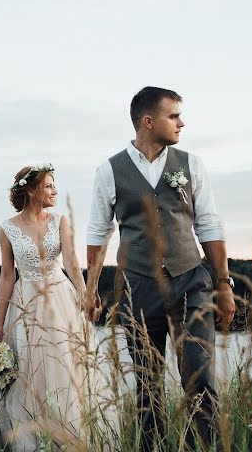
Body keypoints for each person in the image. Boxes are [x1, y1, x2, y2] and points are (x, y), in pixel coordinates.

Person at [84, 86, 236, 450]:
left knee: (200, 377)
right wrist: (89, 291)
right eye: (173, 116)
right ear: (148, 122)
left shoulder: (191, 164)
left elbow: (209, 225)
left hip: (191, 283)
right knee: (147, 385)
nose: (181, 123)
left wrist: (223, 283)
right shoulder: (109, 170)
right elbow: (98, 234)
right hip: (138, 289)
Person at [0, 163, 102, 451]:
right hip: (24, 304)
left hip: (59, 301)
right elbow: (6, 276)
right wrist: (0, 325)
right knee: (29, 374)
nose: (55, 191)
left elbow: (71, 262)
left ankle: (69, 440)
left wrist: (84, 295)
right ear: (30, 190)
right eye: (49, 185)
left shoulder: (60, 221)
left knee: (65, 369)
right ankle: (31, 441)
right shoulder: (7, 229)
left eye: (54, 185)